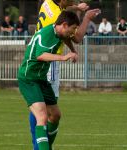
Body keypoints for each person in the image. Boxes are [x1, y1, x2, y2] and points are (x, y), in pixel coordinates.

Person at [29, 0, 101, 150]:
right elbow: (77, 37)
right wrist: (86, 17)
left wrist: (76, 8)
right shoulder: (58, 15)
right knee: (49, 112)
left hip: (35, 58)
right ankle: (41, 146)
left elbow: (64, 7)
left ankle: (39, 145)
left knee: (38, 106)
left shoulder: (47, 2)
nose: (73, 0)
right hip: (49, 61)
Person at [18, 10, 80, 150]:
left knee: (56, 115)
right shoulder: (46, 34)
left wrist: (73, 50)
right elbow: (41, 55)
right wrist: (63, 57)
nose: (74, 32)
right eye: (73, 28)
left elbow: (65, 38)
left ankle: (45, 146)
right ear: (64, 25)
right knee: (42, 117)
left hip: (41, 79)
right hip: (29, 79)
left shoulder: (59, 32)